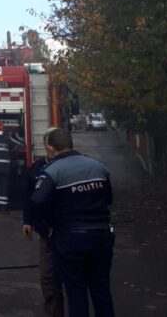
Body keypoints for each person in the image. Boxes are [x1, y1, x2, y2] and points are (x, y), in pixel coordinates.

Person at [31, 128, 114, 317]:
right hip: (101, 237)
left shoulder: (52, 171)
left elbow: (38, 200)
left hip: (71, 238)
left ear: (50, 147)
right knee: (101, 291)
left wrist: (47, 225)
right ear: (71, 144)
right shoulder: (98, 166)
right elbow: (108, 198)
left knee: (76, 292)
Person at [22, 128, 65, 317]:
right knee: (48, 277)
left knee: (70, 275)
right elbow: (30, 196)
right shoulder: (37, 168)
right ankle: (54, 312)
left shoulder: (70, 167)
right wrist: (27, 221)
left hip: (67, 230)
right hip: (46, 231)